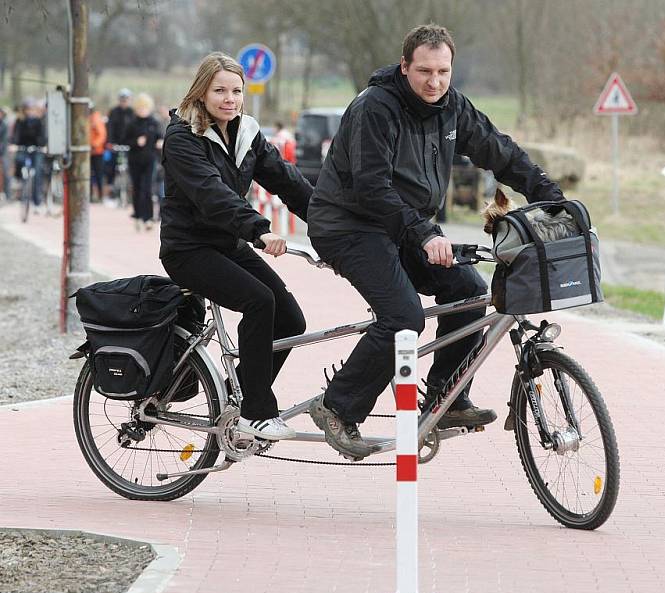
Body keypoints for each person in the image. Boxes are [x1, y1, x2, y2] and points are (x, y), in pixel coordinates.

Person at [307, 24, 566, 458]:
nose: (435, 81)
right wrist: (425, 232)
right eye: (424, 71)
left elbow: (497, 151)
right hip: (349, 224)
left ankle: (446, 399)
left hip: (405, 223)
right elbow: (372, 188)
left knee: (469, 293)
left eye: (443, 71)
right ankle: (336, 406)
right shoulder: (376, 108)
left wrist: (549, 195)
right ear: (404, 66)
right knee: (404, 316)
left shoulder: (451, 107)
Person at [160, 52, 313, 440]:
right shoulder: (183, 136)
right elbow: (211, 195)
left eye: (236, 91)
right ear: (202, 91)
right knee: (259, 301)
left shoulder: (246, 133)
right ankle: (256, 412)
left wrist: (335, 226)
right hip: (188, 249)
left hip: (226, 243)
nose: (229, 99)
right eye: (220, 90)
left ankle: (239, 396)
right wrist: (259, 229)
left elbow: (286, 180)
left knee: (291, 319)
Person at [124, 93, 162, 229]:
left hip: (150, 159)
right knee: (137, 187)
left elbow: (160, 136)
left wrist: (160, 142)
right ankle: (138, 215)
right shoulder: (132, 123)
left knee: (147, 188)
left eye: (145, 108)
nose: (142, 111)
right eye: (140, 108)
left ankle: (149, 217)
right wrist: (136, 142)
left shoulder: (154, 122)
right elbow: (125, 140)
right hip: (134, 159)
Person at [10, 98, 46, 212]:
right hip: (23, 147)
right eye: (27, 109)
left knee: (37, 173)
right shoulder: (20, 121)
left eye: (31, 109)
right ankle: (19, 181)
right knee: (19, 160)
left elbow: (42, 135)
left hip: (36, 149)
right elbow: (16, 135)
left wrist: (43, 146)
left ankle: (37, 202)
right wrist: (13, 144)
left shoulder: (38, 121)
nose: (29, 111)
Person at [106, 88, 134, 199]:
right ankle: (111, 189)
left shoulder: (132, 113)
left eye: (126, 99)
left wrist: (133, 143)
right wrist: (110, 142)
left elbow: (134, 129)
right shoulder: (114, 112)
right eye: (122, 99)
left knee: (132, 166)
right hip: (115, 144)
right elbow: (110, 128)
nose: (124, 102)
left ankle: (131, 191)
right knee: (111, 166)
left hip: (128, 144)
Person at [88, 102, 107, 203]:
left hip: (97, 152)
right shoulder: (87, 119)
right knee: (88, 175)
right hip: (88, 152)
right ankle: (90, 195)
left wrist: (94, 144)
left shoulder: (96, 118)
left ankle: (100, 195)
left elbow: (102, 135)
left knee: (98, 174)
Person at [0, 106, 10, 203]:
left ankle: (7, 194)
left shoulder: (5, 125)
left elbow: (5, 140)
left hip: (3, 152)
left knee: (6, 172)